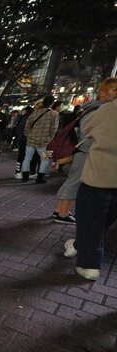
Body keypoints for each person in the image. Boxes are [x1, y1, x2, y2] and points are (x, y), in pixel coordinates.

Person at [63, 94, 117, 281]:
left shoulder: (107, 110)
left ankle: (89, 265)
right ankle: (78, 245)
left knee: (91, 220)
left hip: (100, 176)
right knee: (103, 222)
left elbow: (85, 127)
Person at [52, 77, 117, 225]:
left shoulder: (93, 107)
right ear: (103, 93)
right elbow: (87, 130)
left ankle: (61, 210)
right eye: (115, 90)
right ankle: (62, 213)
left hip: (84, 150)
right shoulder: (100, 109)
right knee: (75, 181)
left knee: (73, 180)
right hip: (85, 150)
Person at [21, 94, 59, 183]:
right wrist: (50, 138)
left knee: (27, 158)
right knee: (44, 160)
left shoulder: (35, 113)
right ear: (52, 103)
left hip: (31, 140)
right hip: (44, 142)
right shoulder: (54, 114)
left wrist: (28, 135)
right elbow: (54, 128)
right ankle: (40, 178)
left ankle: (25, 177)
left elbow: (27, 126)